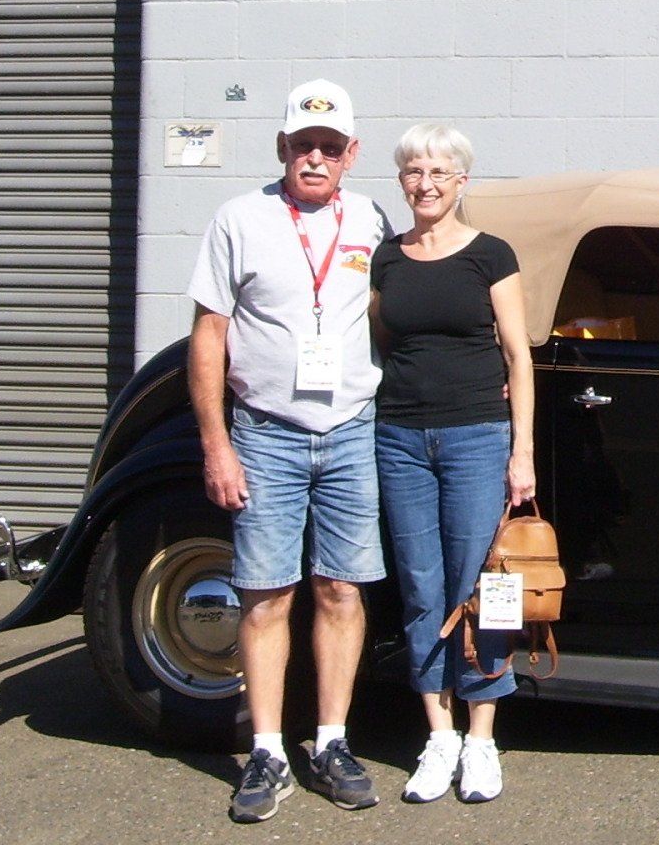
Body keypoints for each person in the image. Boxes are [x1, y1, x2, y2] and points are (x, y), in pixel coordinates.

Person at [188, 79, 391, 822]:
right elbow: (208, 336)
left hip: (349, 432)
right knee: (266, 594)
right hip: (265, 435)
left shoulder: (370, 220)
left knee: (342, 590)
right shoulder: (239, 219)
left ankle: (332, 742)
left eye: (330, 148)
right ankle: (268, 750)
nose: (315, 158)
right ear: (282, 147)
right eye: (304, 145)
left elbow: (398, 309)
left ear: (350, 155)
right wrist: (218, 445)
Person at [370, 121, 535, 805]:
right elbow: (378, 344)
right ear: (402, 180)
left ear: (461, 180)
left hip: (476, 437)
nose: (426, 184)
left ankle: (482, 738)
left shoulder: (490, 255)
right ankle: (437, 735)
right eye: (414, 172)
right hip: (401, 438)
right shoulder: (386, 258)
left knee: (484, 588)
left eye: (440, 172)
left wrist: (520, 451)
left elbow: (518, 357)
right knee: (420, 588)